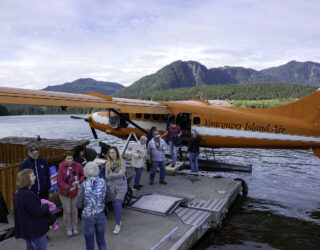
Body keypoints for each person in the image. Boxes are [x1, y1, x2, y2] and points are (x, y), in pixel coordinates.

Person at [13, 169, 49, 250]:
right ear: (26, 179)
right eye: (32, 176)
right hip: (35, 230)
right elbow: (38, 212)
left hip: (27, 230)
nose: (35, 177)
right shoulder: (27, 194)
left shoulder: (17, 191)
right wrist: (46, 206)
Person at [76, 162, 107, 250]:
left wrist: (86, 205)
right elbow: (110, 197)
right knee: (101, 241)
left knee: (89, 244)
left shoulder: (84, 185)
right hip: (101, 214)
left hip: (87, 216)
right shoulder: (103, 181)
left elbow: (78, 203)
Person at [57, 151, 84, 236]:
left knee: (74, 210)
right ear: (65, 159)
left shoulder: (77, 165)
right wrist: (69, 188)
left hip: (75, 192)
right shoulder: (61, 167)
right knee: (67, 211)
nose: (70, 160)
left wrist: (78, 181)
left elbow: (82, 175)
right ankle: (68, 227)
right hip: (65, 192)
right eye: (68, 158)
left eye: (71, 158)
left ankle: (74, 226)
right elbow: (59, 181)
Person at [105, 146, 127, 234]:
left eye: (113, 152)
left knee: (118, 204)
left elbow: (122, 174)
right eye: (110, 153)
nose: (111, 154)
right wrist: (116, 174)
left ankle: (118, 224)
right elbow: (106, 176)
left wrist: (112, 174)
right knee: (114, 204)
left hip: (121, 185)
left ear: (116, 152)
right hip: (111, 186)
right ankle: (118, 217)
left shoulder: (122, 161)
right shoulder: (107, 162)